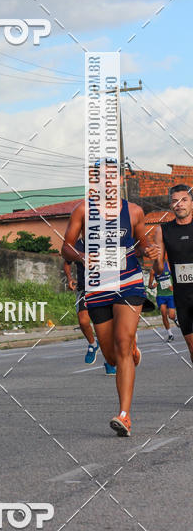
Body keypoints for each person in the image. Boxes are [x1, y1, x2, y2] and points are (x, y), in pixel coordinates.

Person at [63, 174, 148, 437]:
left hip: (128, 283)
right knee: (112, 356)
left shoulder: (134, 211)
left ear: (118, 180)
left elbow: (143, 246)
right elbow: (65, 248)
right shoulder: (83, 210)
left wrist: (151, 251)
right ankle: (130, 348)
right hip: (98, 286)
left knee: (121, 343)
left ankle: (124, 415)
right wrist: (81, 256)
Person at [147, 184, 193, 363]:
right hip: (182, 297)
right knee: (191, 347)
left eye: (184, 200)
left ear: (191, 203)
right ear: (170, 205)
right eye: (175, 201)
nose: (179, 204)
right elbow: (159, 268)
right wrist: (155, 259)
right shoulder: (163, 230)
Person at [63, 237, 116, 374]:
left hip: (103, 288)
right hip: (84, 289)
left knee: (105, 329)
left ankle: (109, 361)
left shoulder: (105, 241)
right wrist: (70, 279)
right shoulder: (76, 245)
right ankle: (93, 344)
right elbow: (67, 263)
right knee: (83, 321)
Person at [148, 261, 176, 341]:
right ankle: (170, 334)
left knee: (171, 316)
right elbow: (149, 285)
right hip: (161, 296)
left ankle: (175, 318)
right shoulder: (153, 270)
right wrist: (153, 286)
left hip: (170, 294)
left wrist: (173, 287)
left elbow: (176, 278)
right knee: (164, 314)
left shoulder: (168, 265)